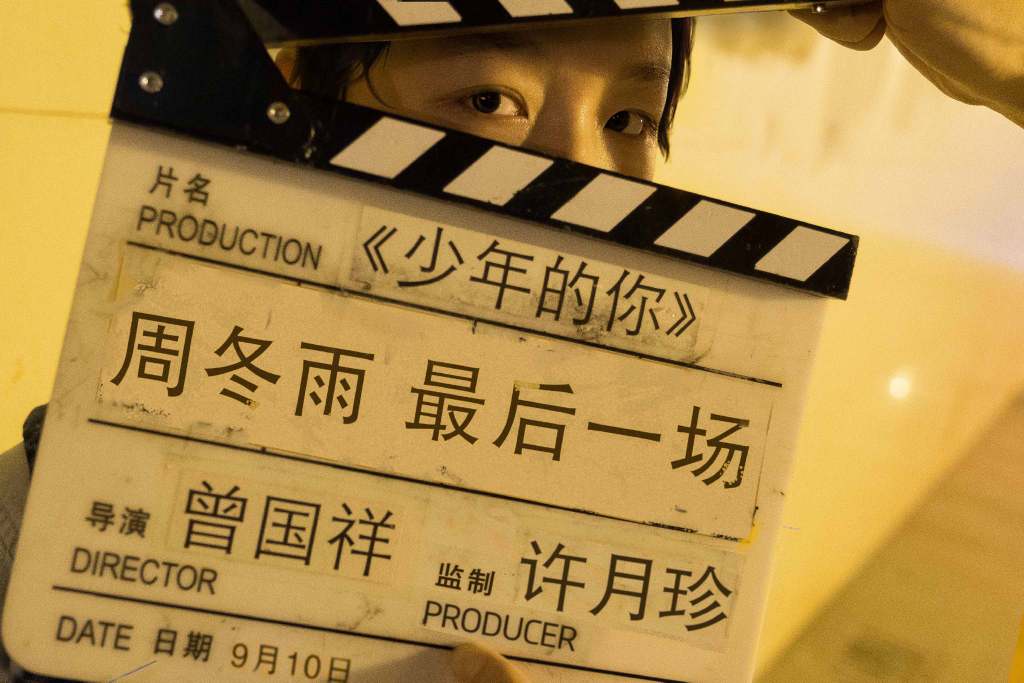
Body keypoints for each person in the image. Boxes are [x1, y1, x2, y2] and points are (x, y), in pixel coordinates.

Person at [4, 4, 1022, 681]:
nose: (579, 175)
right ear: (299, 97)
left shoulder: (651, 584)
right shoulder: (44, 533)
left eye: (631, 118)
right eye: (488, 99)